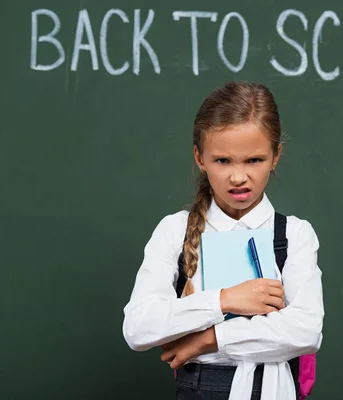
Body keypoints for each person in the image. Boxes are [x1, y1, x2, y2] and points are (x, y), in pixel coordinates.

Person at [122, 81, 324, 399]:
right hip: (200, 387)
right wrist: (225, 300)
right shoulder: (174, 230)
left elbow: (306, 331)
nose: (238, 176)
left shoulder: (294, 235)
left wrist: (210, 338)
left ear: (276, 156)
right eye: (222, 161)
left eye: (254, 160)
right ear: (200, 158)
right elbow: (138, 327)